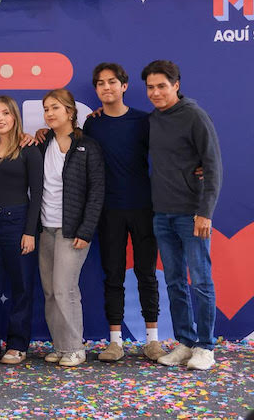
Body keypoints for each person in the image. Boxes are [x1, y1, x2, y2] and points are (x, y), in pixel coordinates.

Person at [142, 60, 223, 371]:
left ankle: (205, 347)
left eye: (162, 86)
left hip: (192, 215)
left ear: (176, 85)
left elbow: (213, 166)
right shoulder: (152, 120)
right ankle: (186, 342)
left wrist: (205, 212)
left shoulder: (194, 115)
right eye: (150, 87)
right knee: (175, 282)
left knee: (200, 281)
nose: (156, 92)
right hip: (161, 214)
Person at [82, 63, 164, 362]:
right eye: (100, 83)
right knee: (113, 274)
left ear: (124, 86)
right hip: (109, 210)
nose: (106, 87)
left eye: (112, 82)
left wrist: (197, 168)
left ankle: (152, 341)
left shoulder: (144, 121)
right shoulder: (93, 124)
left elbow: (169, 152)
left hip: (143, 207)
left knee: (146, 274)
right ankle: (115, 342)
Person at [38, 89, 105, 367]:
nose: (50, 113)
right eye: (46, 109)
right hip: (45, 228)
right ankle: (61, 345)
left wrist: (85, 230)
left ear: (70, 111)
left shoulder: (87, 146)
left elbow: (97, 192)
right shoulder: (43, 143)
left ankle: (75, 347)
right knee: (50, 292)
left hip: (72, 230)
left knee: (65, 289)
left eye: (55, 107)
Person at [0, 96, 43, 365]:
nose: (0, 118)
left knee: (22, 285)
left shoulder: (29, 149)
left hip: (18, 221)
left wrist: (30, 231)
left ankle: (17, 344)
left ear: (15, 117)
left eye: (6, 113)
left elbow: (37, 194)